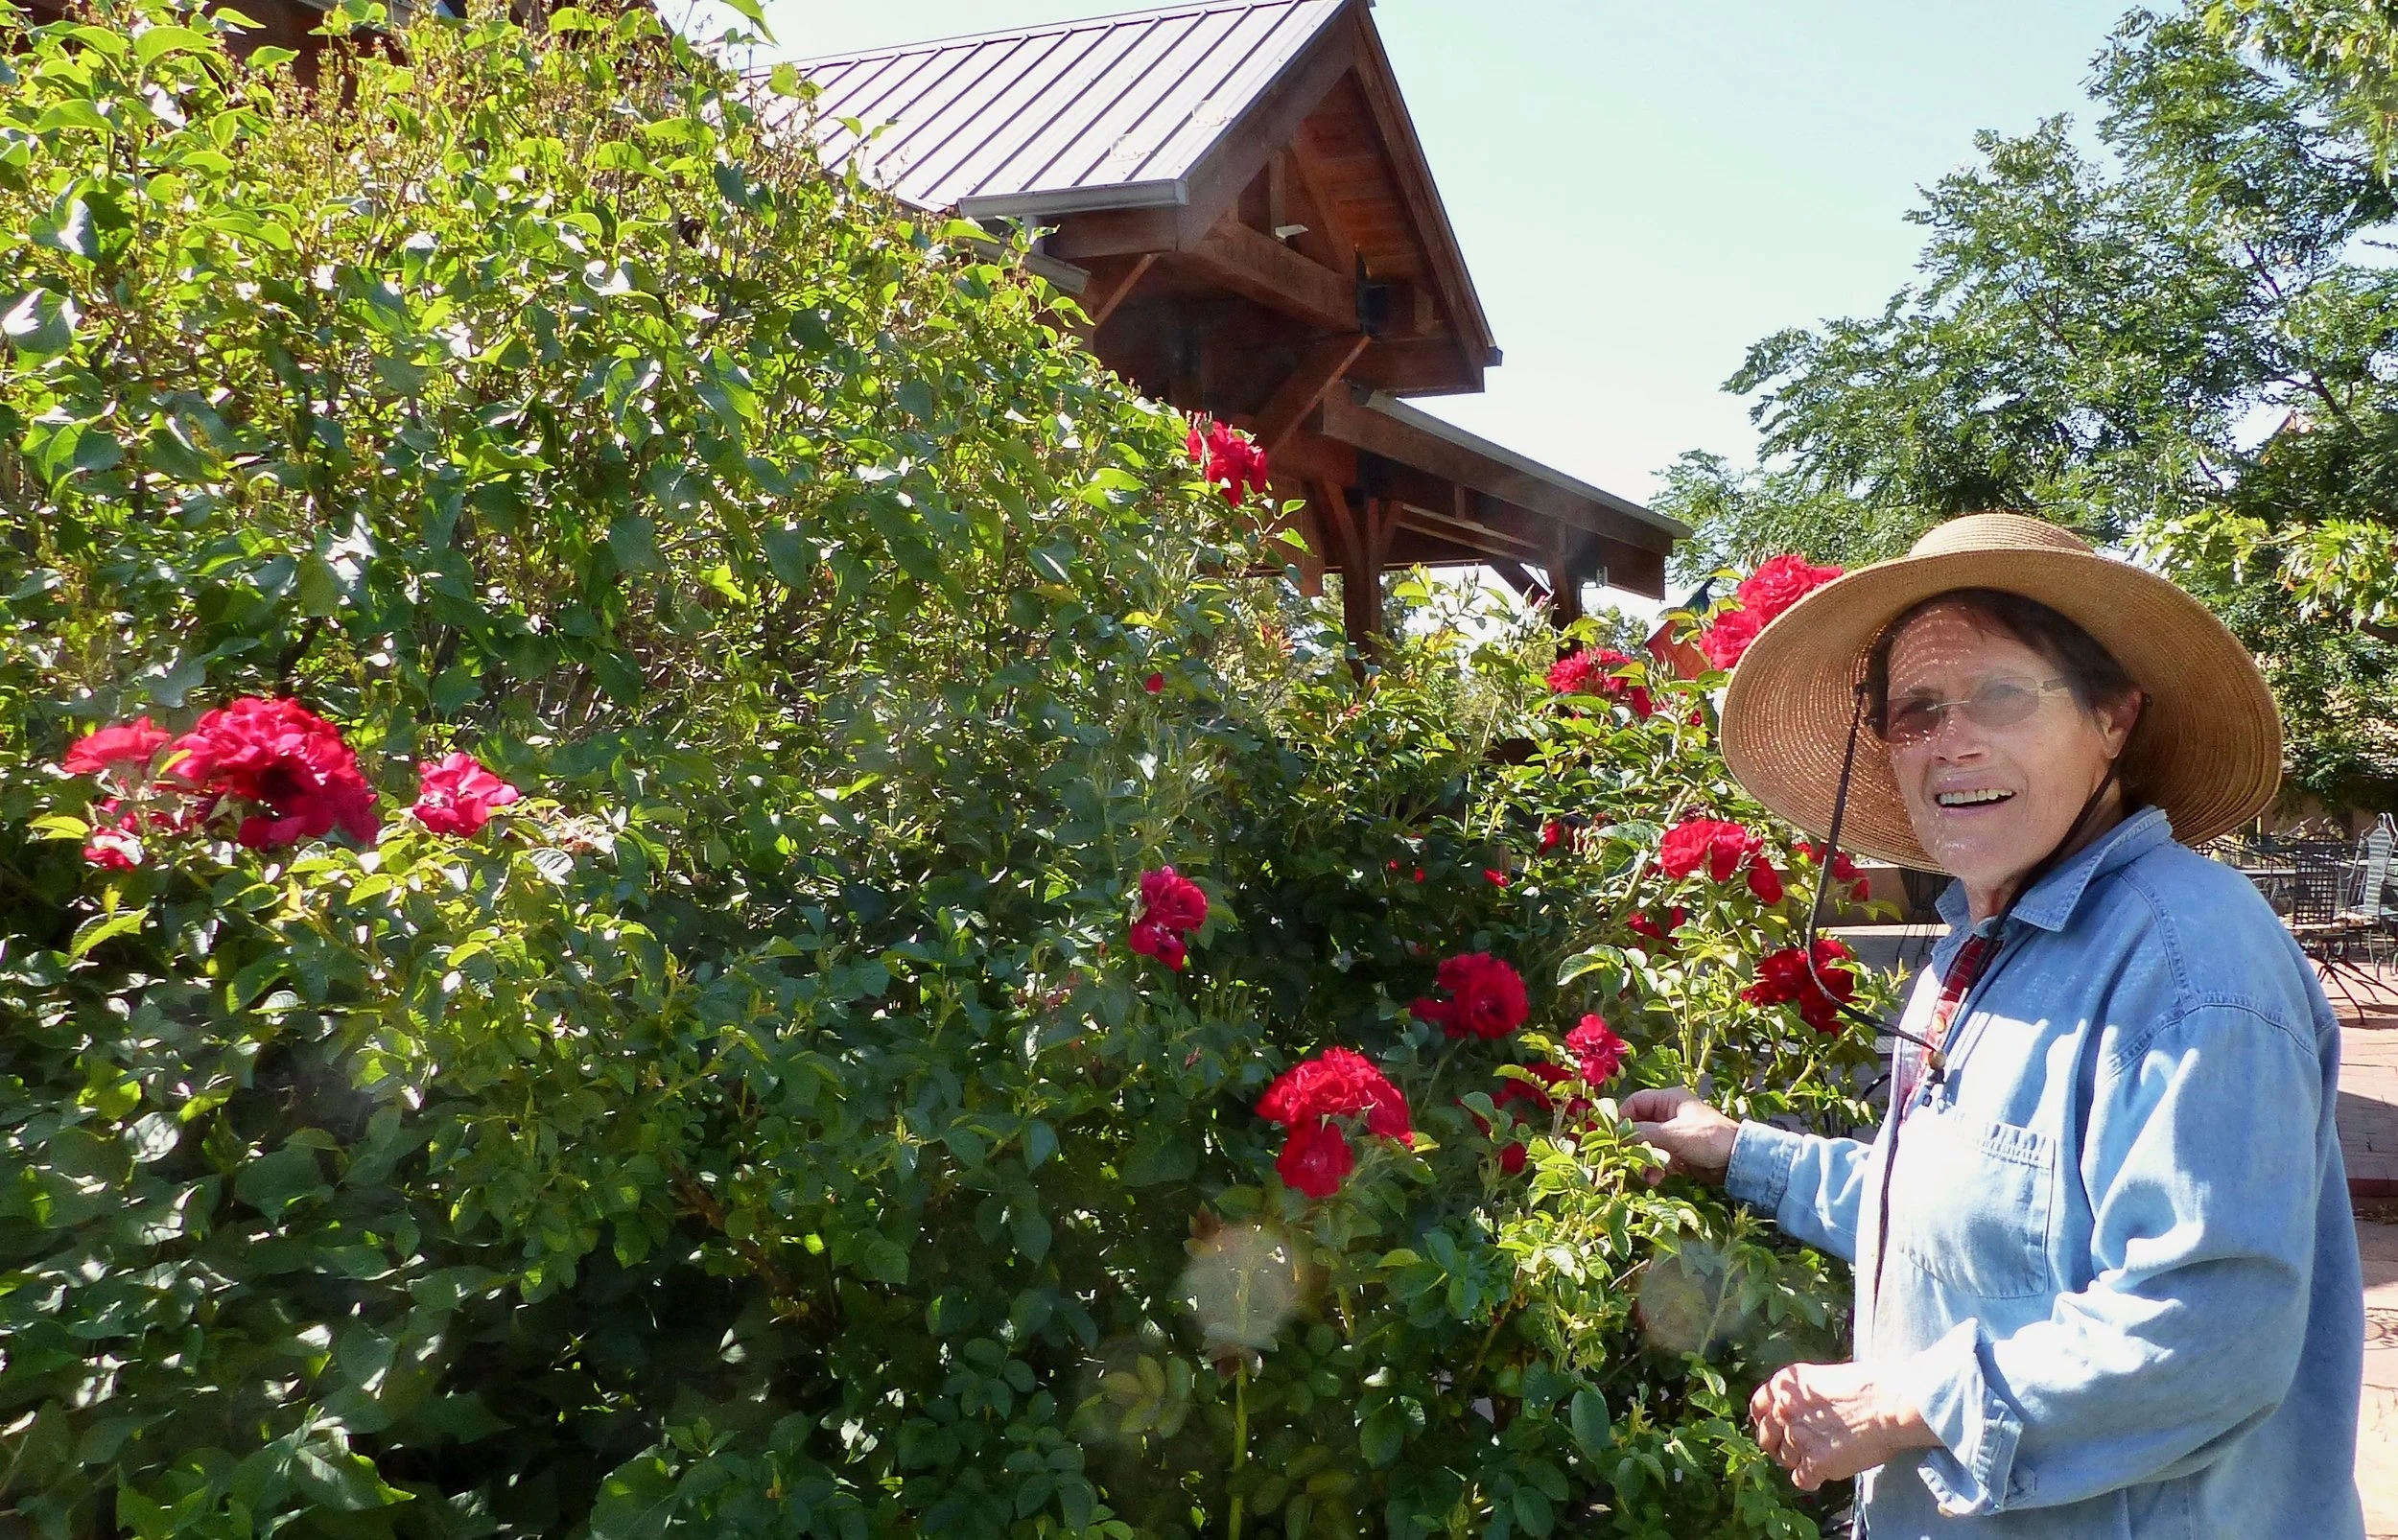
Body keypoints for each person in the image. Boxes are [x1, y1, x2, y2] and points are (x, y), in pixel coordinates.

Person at [1627, 513, 2365, 1537]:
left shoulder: (2188, 960)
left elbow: (2208, 1331)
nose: (1951, 740)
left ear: (2114, 717)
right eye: (1914, 710)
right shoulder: (1984, 944)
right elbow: (1969, 1221)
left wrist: (1894, 1405)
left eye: (2001, 695)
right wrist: (1736, 1151)